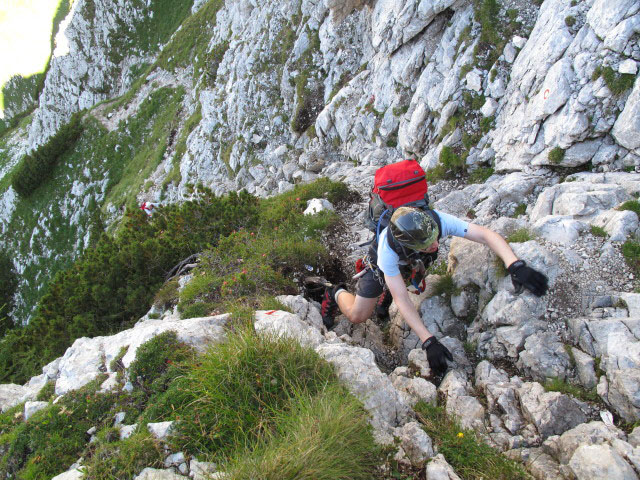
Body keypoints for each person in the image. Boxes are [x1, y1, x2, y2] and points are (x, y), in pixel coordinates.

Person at [319, 206, 548, 375]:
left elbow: (485, 234)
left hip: (409, 264)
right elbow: (403, 300)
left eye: (435, 239)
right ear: (409, 245)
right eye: (428, 245)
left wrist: (515, 264)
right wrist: (428, 340)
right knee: (358, 315)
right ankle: (334, 292)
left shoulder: (434, 221)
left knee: (403, 281)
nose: (436, 245)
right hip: (379, 267)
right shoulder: (387, 252)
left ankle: (385, 297)